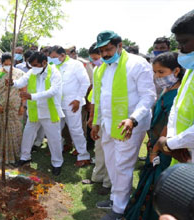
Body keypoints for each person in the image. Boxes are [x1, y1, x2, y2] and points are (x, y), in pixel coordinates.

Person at [91, 31, 156, 220]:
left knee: (123, 166)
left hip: (130, 125)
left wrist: (133, 119)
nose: (105, 54)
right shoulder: (101, 69)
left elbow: (148, 96)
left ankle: (119, 210)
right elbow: (100, 98)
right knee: (112, 163)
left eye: (108, 49)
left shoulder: (137, 64)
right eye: (101, 51)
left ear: (120, 46)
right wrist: (96, 122)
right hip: (108, 124)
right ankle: (116, 198)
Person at [124, 52, 184, 220]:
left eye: (161, 72)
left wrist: (154, 149)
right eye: (155, 72)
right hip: (156, 145)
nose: (157, 76)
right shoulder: (168, 90)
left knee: (157, 185)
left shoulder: (177, 95)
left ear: (176, 71)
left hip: (163, 148)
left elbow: (168, 124)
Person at [155, 7, 194, 165]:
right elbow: (178, 106)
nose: (180, 48)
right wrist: (172, 140)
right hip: (185, 151)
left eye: (184, 42)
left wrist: (171, 144)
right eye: (178, 43)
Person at [8, 52, 64, 176]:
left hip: (49, 112)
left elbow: (52, 91)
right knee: (28, 134)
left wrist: (31, 96)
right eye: (31, 65)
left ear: (44, 63)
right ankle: (25, 157)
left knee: (54, 139)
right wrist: (13, 83)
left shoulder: (55, 73)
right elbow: (22, 81)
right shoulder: (33, 71)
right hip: (34, 111)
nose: (33, 68)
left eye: (35, 65)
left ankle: (57, 163)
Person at [49, 45, 91, 167]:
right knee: (56, 129)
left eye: (54, 57)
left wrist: (78, 99)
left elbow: (85, 82)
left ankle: (83, 155)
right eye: (51, 57)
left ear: (62, 55)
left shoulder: (75, 65)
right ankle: (58, 151)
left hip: (72, 103)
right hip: (57, 103)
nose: (52, 59)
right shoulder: (53, 66)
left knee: (75, 129)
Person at [82, 42, 112, 196]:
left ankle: (108, 182)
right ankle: (97, 177)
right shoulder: (98, 70)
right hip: (100, 116)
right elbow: (94, 96)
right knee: (99, 148)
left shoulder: (117, 70)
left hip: (113, 117)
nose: (97, 61)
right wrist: (93, 117)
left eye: (97, 58)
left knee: (110, 152)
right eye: (93, 59)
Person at [0, 53, 26, 164]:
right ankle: (0, 155)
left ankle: (15, 155)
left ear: (13, 62)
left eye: (10, 63)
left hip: (15, 108)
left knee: (15, 130)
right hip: (0, 107)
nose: (8, 65)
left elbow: (24, 91)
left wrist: (22, 106)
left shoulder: (20, 74)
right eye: (5, 63)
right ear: (1, 62)